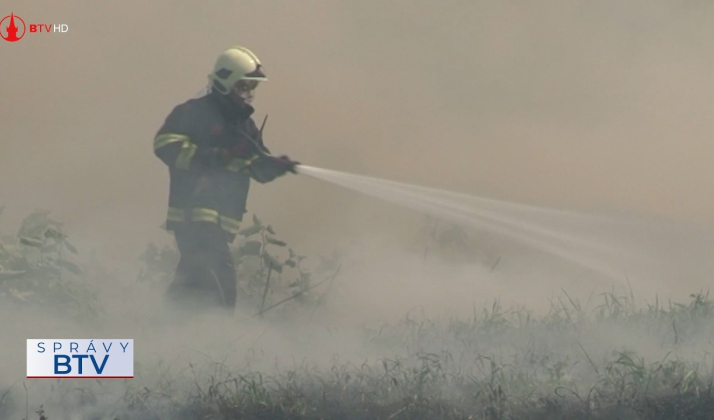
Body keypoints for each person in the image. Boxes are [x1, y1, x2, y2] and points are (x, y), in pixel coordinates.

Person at [153, 46, 298, 315]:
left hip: (220, 223)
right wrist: (215, 156)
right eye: (242, 87)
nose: (248, 94)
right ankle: (220, 336)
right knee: (221, 282)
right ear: (224, 82)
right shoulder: (194, 113)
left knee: (190, 287)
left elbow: (254, 166)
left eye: (252, 87)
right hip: (194, 217)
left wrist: (273, 166)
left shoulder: (245, 126)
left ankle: (158, 332)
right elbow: (165, 145)